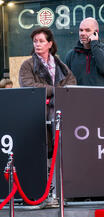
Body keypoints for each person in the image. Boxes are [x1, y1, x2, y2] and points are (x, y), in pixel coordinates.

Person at [19, 27, 76, 159]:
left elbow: (72, 83)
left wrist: (59, 93)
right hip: (38, 115)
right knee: (42, 157)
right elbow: (29, 86)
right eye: (35, 41)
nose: (37, 44)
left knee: (64, 152)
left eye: (41, 41)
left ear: (50, 44)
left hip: (61, 112)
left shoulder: (60, 64)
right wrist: (56, 91)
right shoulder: (27, 65)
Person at [65, 17, 104, 86]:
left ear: (96, 33)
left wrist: (94, 45)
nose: (82, 33)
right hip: (78, 96)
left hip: (102, 96)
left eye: (87, 30)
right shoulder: (71, 55)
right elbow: (66, 81)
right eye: (81, 30)